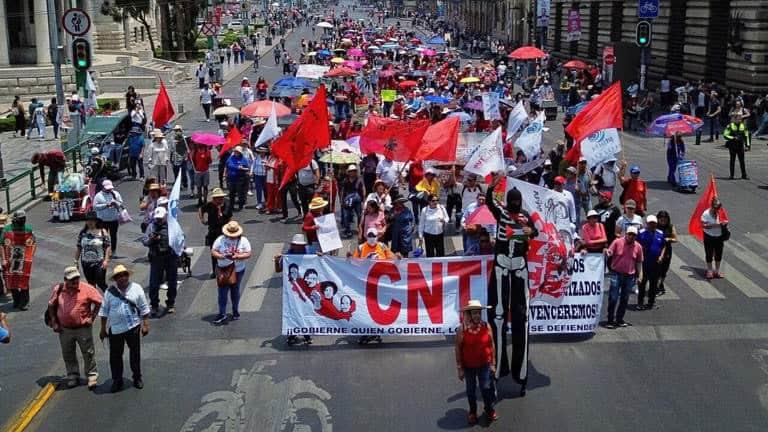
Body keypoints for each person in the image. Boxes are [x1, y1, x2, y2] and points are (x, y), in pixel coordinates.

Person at [486, 174, 537, 393]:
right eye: (512, 201)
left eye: (517, 202)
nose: (515, 205)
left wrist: (530, 231)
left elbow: (535, 231)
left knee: (521, 319)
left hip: (519, 266)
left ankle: (521, 373)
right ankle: (497, 371)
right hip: (501, 265)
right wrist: (493, 185)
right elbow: (489, 201)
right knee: (497, 315)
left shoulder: (525, 216)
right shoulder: (501, 213)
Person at [47, 266, 103, 389]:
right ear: (65, 280)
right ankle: (72, 375)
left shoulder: (87, 289)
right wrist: (54, 322)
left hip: (83, 327)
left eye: (77, 278)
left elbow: (99, 302)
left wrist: (92, 317)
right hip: (65, 329)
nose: (75, 281)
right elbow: (51, 305)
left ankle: (92, 375)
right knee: (68, 353)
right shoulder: (59, 289)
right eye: (72, 279)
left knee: (88, 352)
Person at [99, 265, 150, 393]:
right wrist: (102, 329)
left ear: (128, 276)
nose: (122, 278)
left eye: (124, 275)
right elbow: (104, 311)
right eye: (119, 276)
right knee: (115, 357)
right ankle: (117, 380)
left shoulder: (136, 288)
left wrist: (145, 324)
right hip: (116, 330)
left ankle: (137, 377)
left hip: (133, 327)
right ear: (115, 279)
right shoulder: (109, 292)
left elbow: (144, 308)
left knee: (135, 354)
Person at [349, 227, 398, 344]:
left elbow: (393, 259)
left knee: (376, 309)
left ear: (377, 236)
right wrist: (349, 257)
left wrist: (398, 257)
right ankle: (366, 332)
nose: (372, 238)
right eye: (370, 236)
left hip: (380, 285)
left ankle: (375, 332)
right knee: (365, 309)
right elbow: (353, 263)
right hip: (365, 284)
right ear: (366, 236)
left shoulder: (382, 247)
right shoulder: (361, 248)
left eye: (374, 236)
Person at [455, 299, 497, 425]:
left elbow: (492, 344)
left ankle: (489, 409)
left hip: (484, 365)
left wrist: (493, 363)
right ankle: (472, 412)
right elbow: (457, 349)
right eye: (474, 313)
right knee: (470, 391)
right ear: (469, 314)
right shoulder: (462, 330)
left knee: (486, 388)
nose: (477, 315)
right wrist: (460, 368)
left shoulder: (486, 326)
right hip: (469, 367)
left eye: (479, 313)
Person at [211, 221, 252, 325]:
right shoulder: (220, 240)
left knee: (235, 290)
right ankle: (222, 313)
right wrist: (222, 256)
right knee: (222, 292)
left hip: (238, 270)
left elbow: (248, 254)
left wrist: (237, 256)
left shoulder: (243, 240)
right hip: (223, 269)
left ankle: (235, 311)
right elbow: (213, 251)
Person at [604, 226, 644, 329]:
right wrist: (607, 252)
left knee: (625, 299)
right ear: (626, 233)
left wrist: (640, 275)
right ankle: (610, 320)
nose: (631, 236)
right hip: (616, 273)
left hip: (630, 276)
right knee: (613, 298)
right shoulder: (617, 242)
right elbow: (610, 252)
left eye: (634, 235)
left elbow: (639, 262)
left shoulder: (638, 247)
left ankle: (619, 319)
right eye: (630, 234)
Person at [142, 207, 178, 316]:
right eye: (157, 218)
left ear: (166, 216)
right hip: (156, 257)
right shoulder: (151, 227)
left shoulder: (172, 225)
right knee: (154, 283)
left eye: (161, 218)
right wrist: (151, 239)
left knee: (172, 282)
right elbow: (144, 241)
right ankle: (154, 305)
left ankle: (170, 303)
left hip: (170, 257)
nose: (159, 220)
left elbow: (181, 238)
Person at [2, 210, 37, 310]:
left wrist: (31, 255)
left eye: (24, 218)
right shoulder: (7, 229)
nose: (23, 220)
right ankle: (16, 301)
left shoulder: (28, 229)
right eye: (21, 219)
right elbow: (2, 244)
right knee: (12, 279)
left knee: (24, 279)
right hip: (10, 259)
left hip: (24, 259)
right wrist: (4, 259)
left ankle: (25, 302)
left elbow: (33, 242)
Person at [199, 188, 233, 279]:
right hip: (213, 231)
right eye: (217, 198)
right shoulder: (210, 205)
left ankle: (227, 269)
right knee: (214, 252)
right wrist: (202, 220)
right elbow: (201, 210)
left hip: (224, 232)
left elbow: (229, 217)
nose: (219, 200)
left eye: (221, 198)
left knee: (226, 251)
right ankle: (215, 271)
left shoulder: (227, 204)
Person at [75, 212, 111, 291]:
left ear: (96, 221)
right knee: (91, 284)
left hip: (99, 262)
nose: (90, 222)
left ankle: (110, 298)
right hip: (85, 262)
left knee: (101, 282)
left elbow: (107, 247)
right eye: (88, 220)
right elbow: (79, 247)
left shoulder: (102, 232)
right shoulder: (83, 232)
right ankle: (95, 300)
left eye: (92, 220)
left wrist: (106, 260)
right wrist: (75, 261)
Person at [93, 180, 123, 256]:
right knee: (103, 236)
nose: (109, 190)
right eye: (107, 188)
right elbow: (95, 207)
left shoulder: (116, 194)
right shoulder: (98, 195)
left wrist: (115, 203)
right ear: (103, 187)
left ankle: (113, 251)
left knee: (113, 236)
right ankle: (103, 251)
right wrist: (106, 205)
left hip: (114, 219)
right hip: (103, 220)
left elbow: (121, 203)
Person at [701, 197, 728, 280]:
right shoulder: (706, 214)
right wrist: (717, 225)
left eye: (718, 208)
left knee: (718, 254)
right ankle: (709, 270)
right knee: (709, 254)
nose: (717, 210)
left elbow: (725, 220)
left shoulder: (720, 212)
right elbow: (704, 226)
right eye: (715, 208)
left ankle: (717, 271)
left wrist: (725, 223)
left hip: (719, 237)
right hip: (709, 236)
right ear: (712, 206)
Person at [655, 210, 677, 297]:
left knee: (664, 270)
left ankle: (660, 284)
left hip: (667, 251)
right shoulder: (654, 226)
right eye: (661, 219)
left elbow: (675, 239)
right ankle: (657, 286)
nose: (663, 220)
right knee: (657, 269)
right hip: (656, 250)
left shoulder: (670, 227)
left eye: (665, 219)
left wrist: (669, 239)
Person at [340, 165, 365, 238]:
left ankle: (360, 227)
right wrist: (342, 200)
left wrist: (363, 200)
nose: (352, 173)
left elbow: (363, 189)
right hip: (348, 200)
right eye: (351, 171)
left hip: (357, 200)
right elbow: (343, 191)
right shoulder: (346, 180)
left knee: (359, 215)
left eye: (354, 171)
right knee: (346, 215)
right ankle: (348, 230)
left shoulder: (359, 179)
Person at [723, 115, 749, 179]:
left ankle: (744, 175)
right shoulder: (730, 126)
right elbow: (725, 135)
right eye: (738, 119)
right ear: (735, 119)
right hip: (732, 145)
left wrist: (747, 145)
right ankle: (732, 175)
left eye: (740, 119)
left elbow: (746, 136)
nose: (739, 120)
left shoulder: (743, 126)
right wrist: (733, 138)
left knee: (742, 161)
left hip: (740, 146)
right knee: (732, 160)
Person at [225, 146, 251, 211]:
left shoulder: (243, 159)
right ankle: (231, 206)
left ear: (240, 153)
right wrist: (225, 175)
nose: (236, 153)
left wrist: (242, 168)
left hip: (240, 178)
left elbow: (248, 168)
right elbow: (227, 165)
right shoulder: (231, 158)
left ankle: (240, 205)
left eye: (237, 152)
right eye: (235, 152)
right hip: (231, 178)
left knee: (240, 193)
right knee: (231, 193)